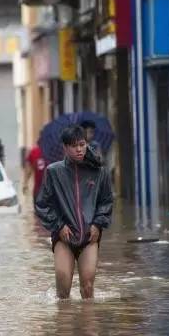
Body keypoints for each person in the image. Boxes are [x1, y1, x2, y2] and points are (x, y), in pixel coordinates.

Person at [35, 125, 113, 299]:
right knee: (63, 290)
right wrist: (58, 226)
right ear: (65, 147)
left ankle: (87, 323)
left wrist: (97, 224)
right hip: (64, 237)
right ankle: (65, 324)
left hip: (89, 236)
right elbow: (42, 204)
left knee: (87, 288)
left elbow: (106, 201)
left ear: (86, 143)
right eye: (73, 146)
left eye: (82, 144)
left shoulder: (99, 172)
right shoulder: (54, 172)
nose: (79, 149)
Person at [23, 142, 47, 207]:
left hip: (39, 193)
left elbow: (29, 170)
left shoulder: (35, 152)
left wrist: (25, 184)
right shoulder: (60, 151)